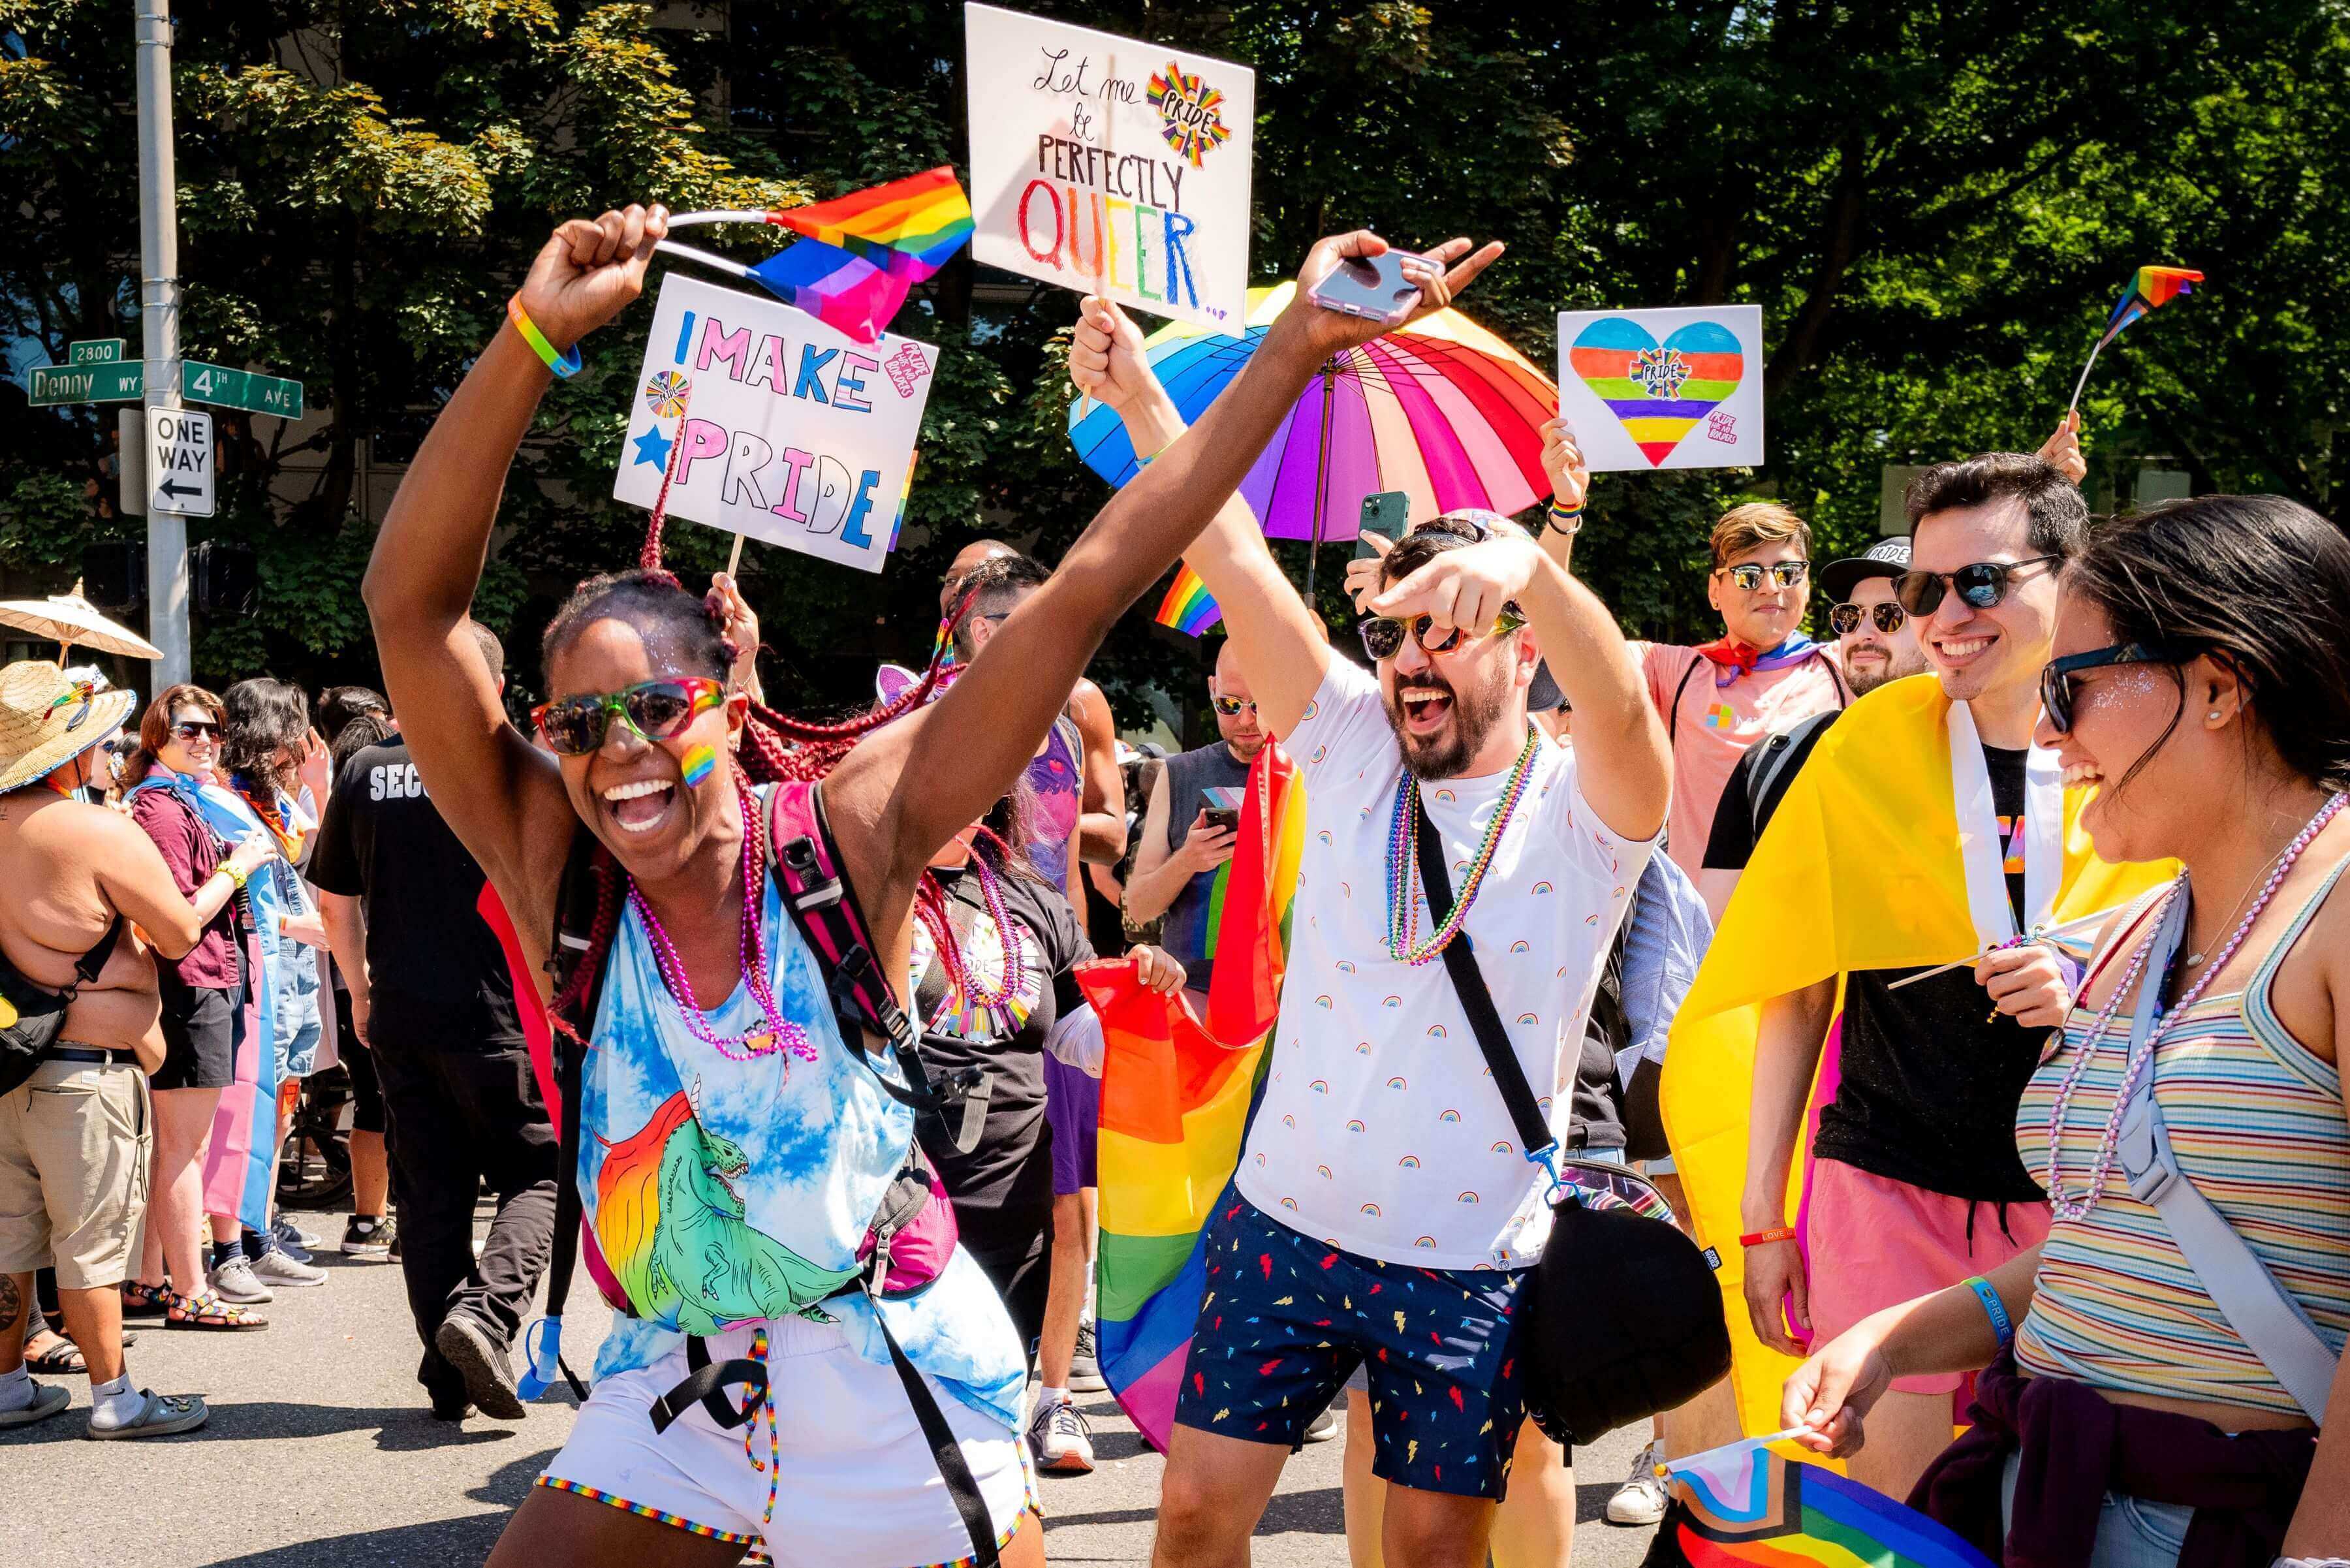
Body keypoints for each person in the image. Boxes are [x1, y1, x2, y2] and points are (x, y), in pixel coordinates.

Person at [364, 203, 1492, 1564]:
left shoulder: (844, 834)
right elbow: (409, 614)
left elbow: (1090, 582)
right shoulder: (559, 867)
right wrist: (533, 334)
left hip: (886, 1371)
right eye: (579, 726)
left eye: (655, 706)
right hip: (683, 1378)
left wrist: (1296, 347)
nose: (620, 755)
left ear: (722, 702)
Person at [1071, 291, 1668, 1568]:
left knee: (1434, 1553)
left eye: (1452, 629)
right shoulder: (1343, 741)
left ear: (1520, 646)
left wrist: (1527, 563)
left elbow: (1626, 705)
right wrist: (1139, 400)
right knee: (1188, 1520)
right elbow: (1227, 548)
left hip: (1470, 1260)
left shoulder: (1588, 806)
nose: (1414, 657)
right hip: (1283, 1228)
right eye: (1396, 630)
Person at [1785, 492, 2350, 1564]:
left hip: (2224, 1524)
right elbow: (2115, 1240)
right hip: (2047, 1491)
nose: (2046, 731)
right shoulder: (2146, 923)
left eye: (2072, 687)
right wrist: (1892, 1338)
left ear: (2219, 684)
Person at [1676, 451, 2169, 1503]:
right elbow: (1798, 988)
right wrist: (1763, 1224)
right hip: (1885, 1183)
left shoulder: (2140, 734)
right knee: (1898, 1521)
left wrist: (2093, 968)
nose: (1946, 614)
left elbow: (2225, 941)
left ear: (2069, 577)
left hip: (2085, 1197)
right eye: (1923, 590)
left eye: (1981, 581)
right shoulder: (1860, 747)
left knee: (2064, 1518)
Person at [311, 624, 556, 1422]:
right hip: (504, 1015)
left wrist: (358, 990)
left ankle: (446, 1374)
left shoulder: (364, 769)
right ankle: (482, 1316)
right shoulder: (526, 764)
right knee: (543, 1173)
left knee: (431, 1194)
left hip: (401, 1012)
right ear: (493, 683)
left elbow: (336, 899)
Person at [0, 660, 243, 1437]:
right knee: (93, 1239)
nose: (109, 753)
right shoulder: (97, 829)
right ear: (67, 751)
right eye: (100, 740)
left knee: (9, 1239)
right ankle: (116, 1397)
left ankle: (6, 1385)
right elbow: (177, 930)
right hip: (82, 1074)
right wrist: (234, 869)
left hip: (9, 1062)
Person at [123, 686, 277, 1329]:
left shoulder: (180, 799)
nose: (208, 740)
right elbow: (176, 921)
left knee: (177, 1143)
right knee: (183, 1148)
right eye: (190, 730)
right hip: (189, 983)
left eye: (215, 729)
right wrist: (238, 867)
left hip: (202, 981)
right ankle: (189, 1289)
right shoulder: (159, 807)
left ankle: (152, 1279)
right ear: (157, 735)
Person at [1694, 536, 1930, 920]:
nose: (1865, 632)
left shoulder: (1996, 753)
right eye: (1851, 616)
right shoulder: (1773, 764)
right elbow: (1711, 932)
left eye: (1890, 615)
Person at [212, 678, 332, 1289]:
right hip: (262, 966)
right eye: (292, 732)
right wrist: (294, 923)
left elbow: (327, 854)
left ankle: (262, 1224)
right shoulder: (220, 797)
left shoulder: (273, 799)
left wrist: (319, 787)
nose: (299, 746)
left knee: (282, 1105)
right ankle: (234, 1241)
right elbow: (217, 895)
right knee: (244, 1110)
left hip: (293, 972)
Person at [1120, 640, 1264, 1012]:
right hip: (1194, 997)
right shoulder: (1180, 772)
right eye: (1230, 705)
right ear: (1213, 690)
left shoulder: (1312, 770)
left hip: (1289, 997)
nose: (1246, 720)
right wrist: (1189, 859)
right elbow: (1139, 906)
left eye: (1260, 704)